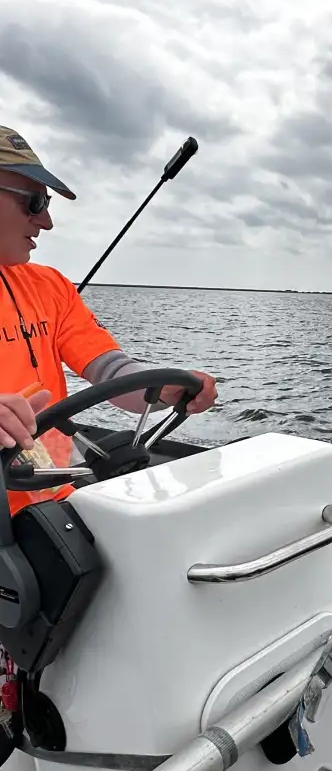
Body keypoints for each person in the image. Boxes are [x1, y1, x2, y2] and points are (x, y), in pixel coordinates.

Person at [0, 124, 218, 516]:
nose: (46, 221)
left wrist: (163, 388)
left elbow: (109, 370)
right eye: (34, 202)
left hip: (54, 504)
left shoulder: (50, 287)